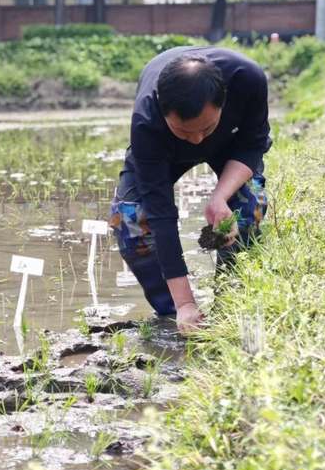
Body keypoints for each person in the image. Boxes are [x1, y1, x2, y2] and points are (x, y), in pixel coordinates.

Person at [110, 46, 271, 334]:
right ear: (162, 110)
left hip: (230, 145)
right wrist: (184, 302)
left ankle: (231, 299)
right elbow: (161, 213)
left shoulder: (248, 79)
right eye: (185, 131)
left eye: (206, 128)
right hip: (166, 152)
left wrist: (220, 196)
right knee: (131, 223)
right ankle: (176, 315)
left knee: (249, 206)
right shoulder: (147, 121)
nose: (196, 140)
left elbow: (253, 143)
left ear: (224, 102)